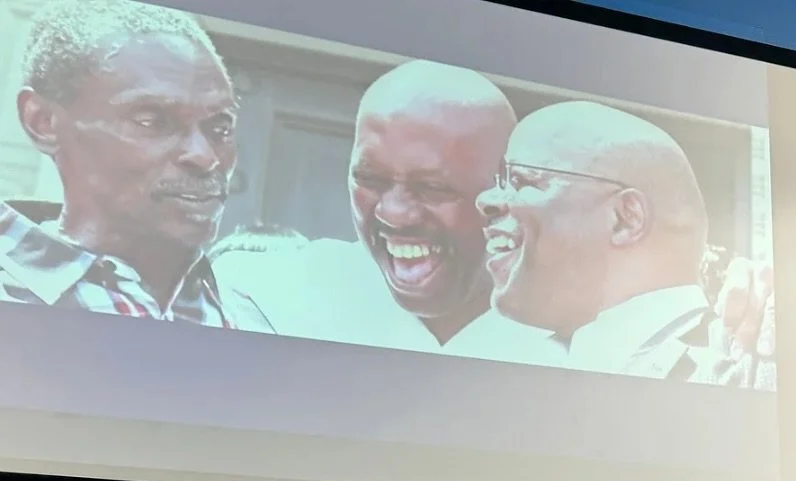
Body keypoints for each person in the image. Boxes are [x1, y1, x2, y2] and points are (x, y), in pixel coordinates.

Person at [216, 60, 561, 363]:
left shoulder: (581, 339)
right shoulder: (270, 293)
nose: (393, 213)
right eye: (370, 179)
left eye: (434, 187)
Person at [0, 0, 271, 329]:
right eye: (152, 121)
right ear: (44, 122)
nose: (205, 157)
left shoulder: (252, 316)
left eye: (220, 129)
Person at [475, 100, 767, 383]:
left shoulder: (758, 363)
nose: (485, 200)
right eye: (501, 180)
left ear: (625, 218)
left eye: (523, 181)